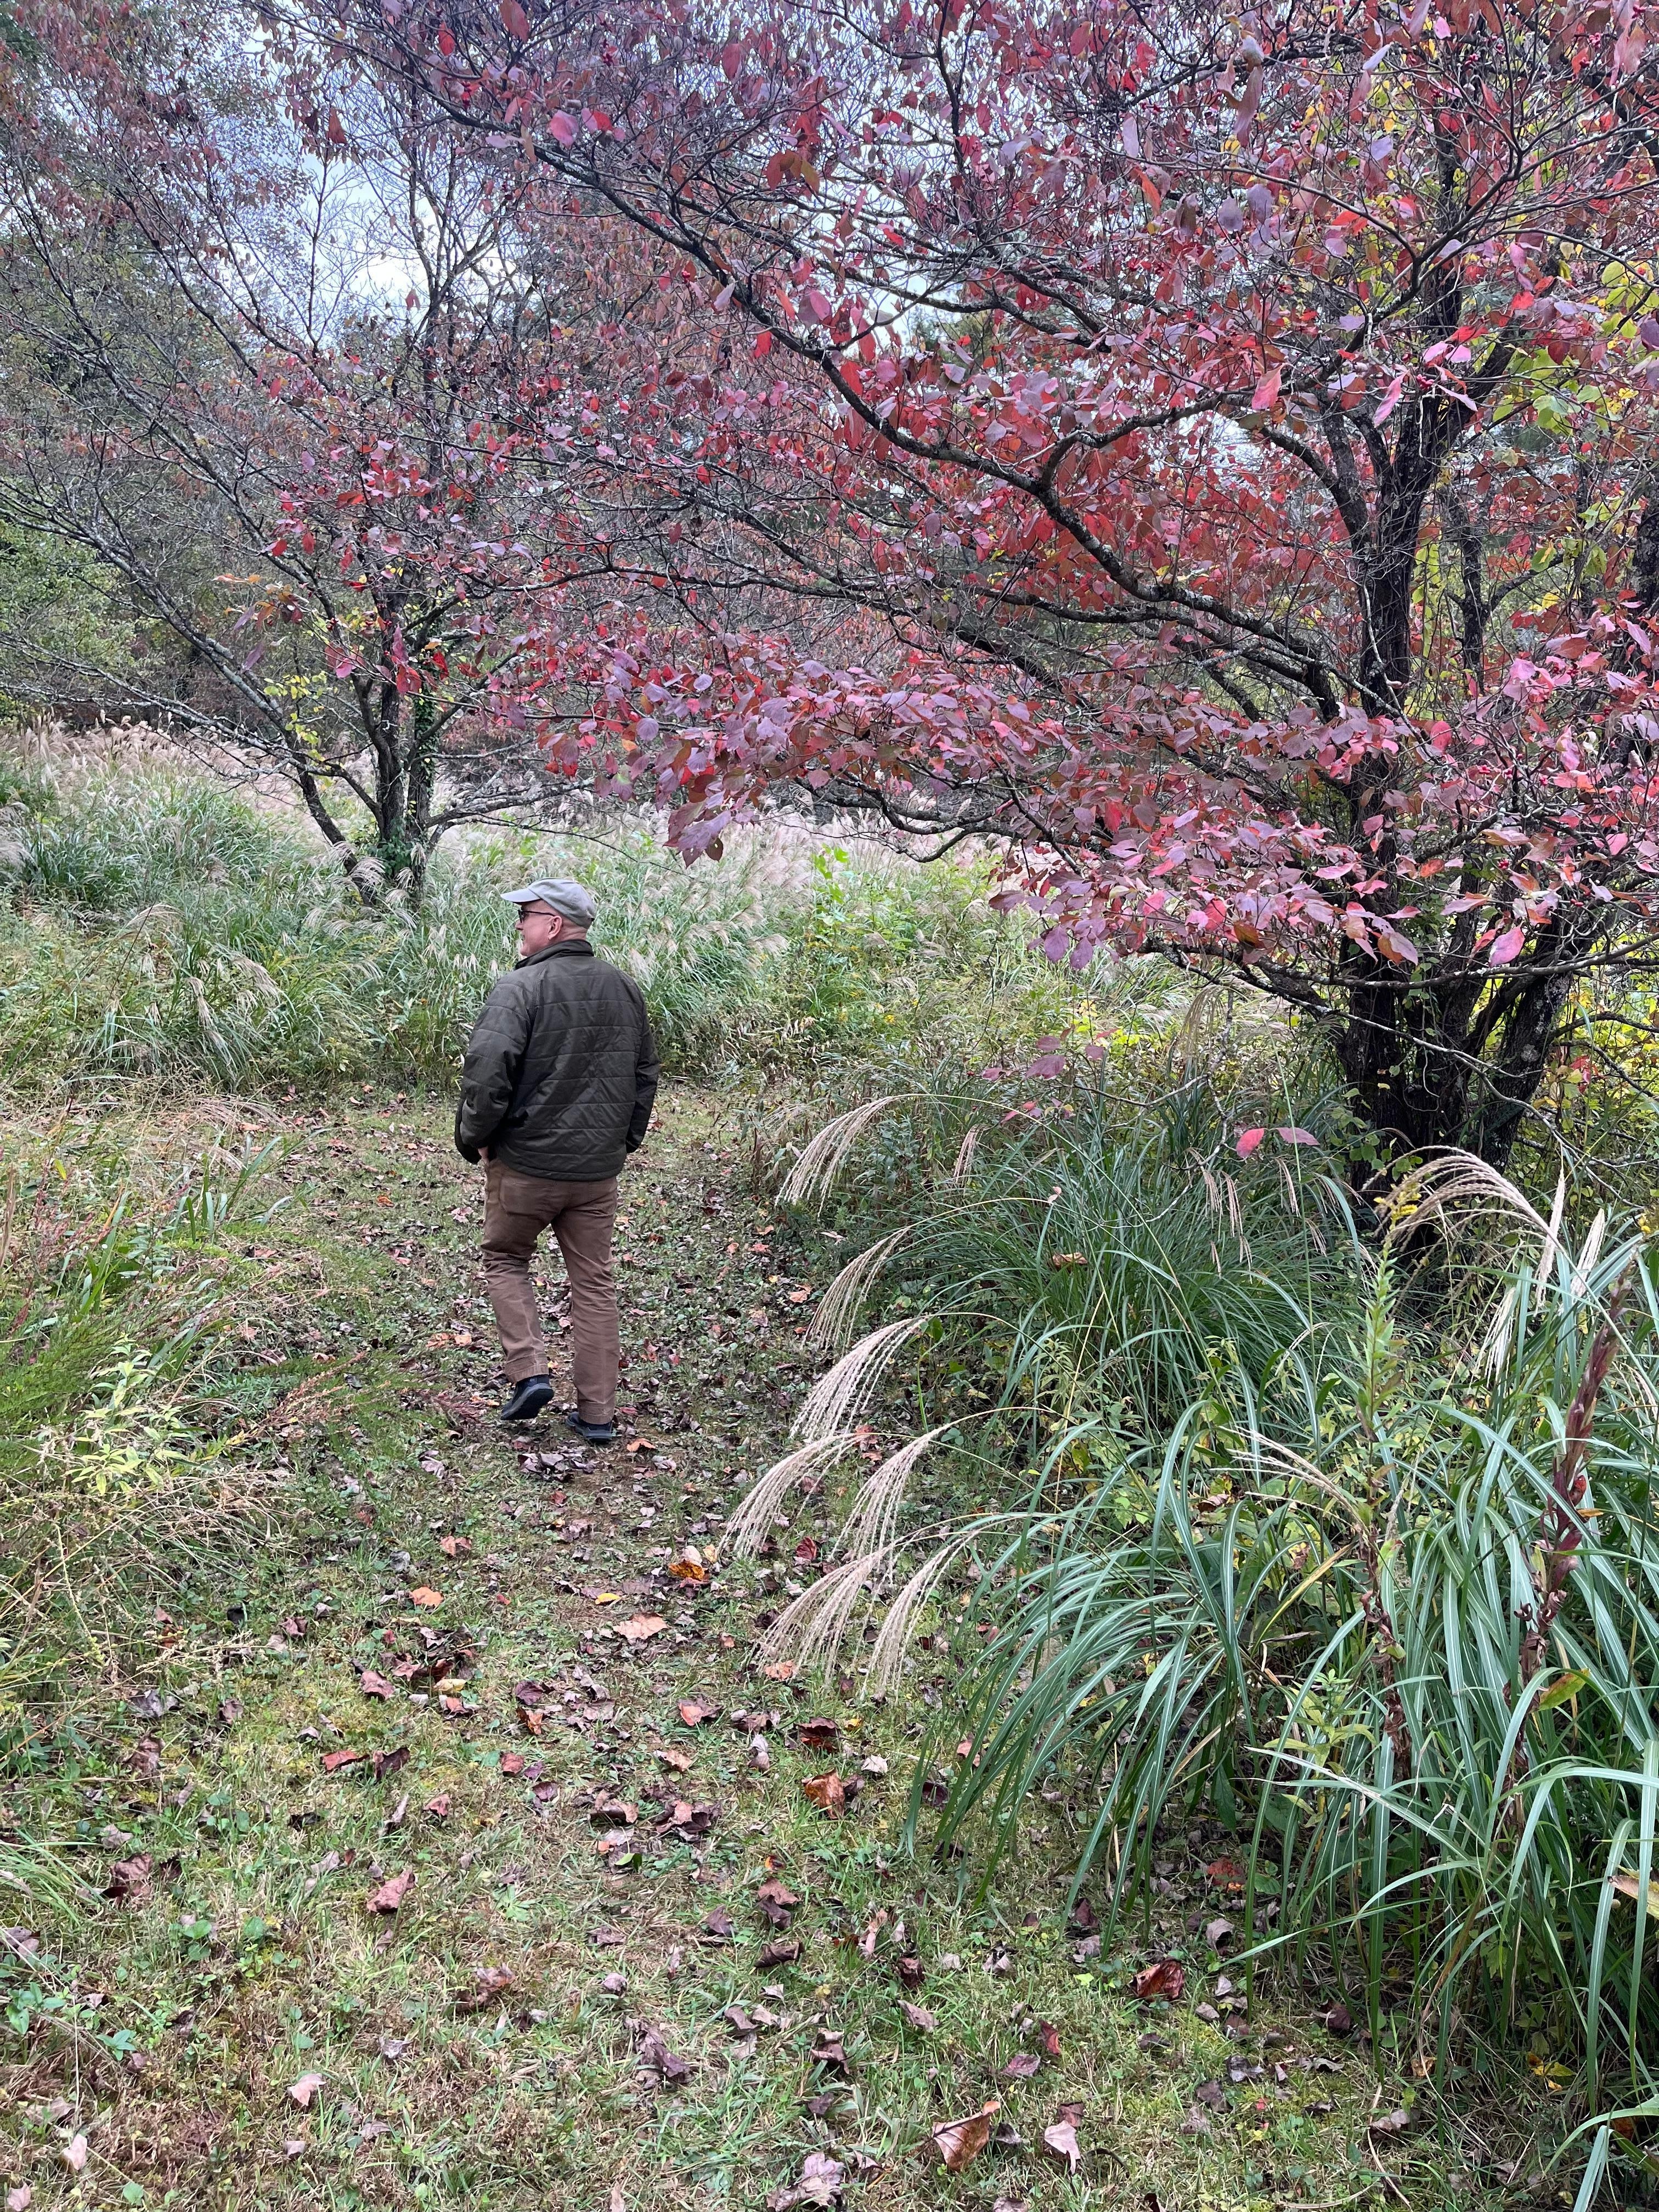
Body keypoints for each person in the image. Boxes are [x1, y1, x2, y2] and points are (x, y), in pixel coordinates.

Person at [454, 878, 659, 1439]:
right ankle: (597, 1416)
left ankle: (529, 1374)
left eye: (526, 915)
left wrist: (477, 1137)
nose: (519, 924)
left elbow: (486, 1072)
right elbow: (645, 1073)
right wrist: (623, 1141)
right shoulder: (624, 987)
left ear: (553, 924)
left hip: (526, 1165)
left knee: (505, 1259)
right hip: (596, 1175)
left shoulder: (518, 988)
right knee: (594, 1283)